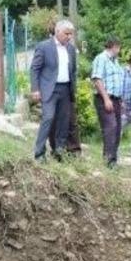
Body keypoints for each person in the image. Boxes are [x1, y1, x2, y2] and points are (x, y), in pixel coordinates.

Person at [31, 20, 77, 161]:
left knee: (63, 122)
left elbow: (73, 70)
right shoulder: (44, 46)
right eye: (66, 33)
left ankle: (59, 151)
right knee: (48, 118)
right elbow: (35, 68)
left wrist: (73, 89)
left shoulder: (70, 49)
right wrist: (35, 89)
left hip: (65, 89)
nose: (69, 37)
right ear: (57, 31)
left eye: (71, 34)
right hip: (49, 89)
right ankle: (39, 153)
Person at [91, 36, 125, 167]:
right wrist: (106, 99)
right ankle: (108, 160)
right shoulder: (101, 58)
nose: (119, 50)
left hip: (116, 99)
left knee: (116, 129)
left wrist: (119, 100)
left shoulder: (115, 61)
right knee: (110, 128)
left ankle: (113, 159)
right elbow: (97, 79)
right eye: (119, 47)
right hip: (105, 98)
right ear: (115, 46)